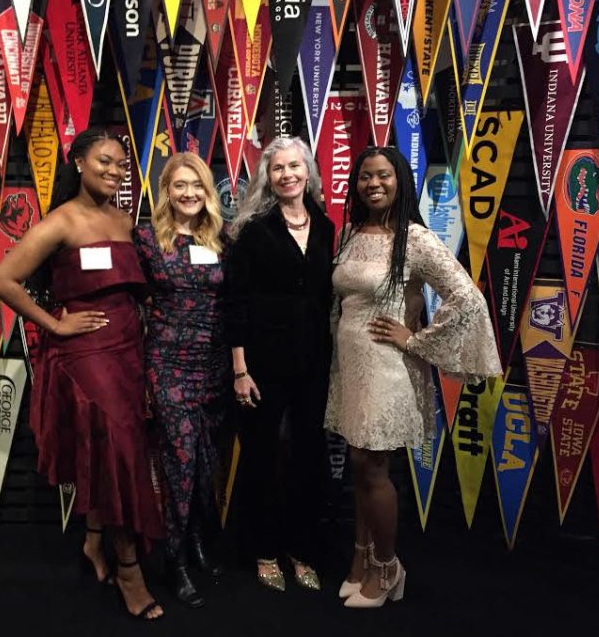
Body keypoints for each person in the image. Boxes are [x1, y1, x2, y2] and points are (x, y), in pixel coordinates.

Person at [0, 129, 165, 621]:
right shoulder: (61, 221)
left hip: (130, 349)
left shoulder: (123, 219)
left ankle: (92, 540)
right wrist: (55, 323)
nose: (114, 171)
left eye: (121, 166)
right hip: (87, 354)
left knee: (105, 451)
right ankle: (130, 570)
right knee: (121, 456)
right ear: (79, 163)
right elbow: (2, 279)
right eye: (104, 162)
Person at [325, 146, 502, 608]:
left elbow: (467, 298)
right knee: (360, 466)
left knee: (373, 467)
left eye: (383, 175)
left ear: (400, 180)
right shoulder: (347, 233)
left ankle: (388, 570)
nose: (373, 184)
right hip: (351, 367)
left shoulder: (415, 238)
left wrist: (414, 339)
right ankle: (361, 560)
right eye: (365, 176)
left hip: (386, 367)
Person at [223, 136, 335, 592]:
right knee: (262, 457)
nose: (287, 174)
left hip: (314, 361)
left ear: (308, 171)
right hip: (262, 362)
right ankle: (264, 549)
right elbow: (236, 303)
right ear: (267, 178)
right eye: (277, 168)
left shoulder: (327, 227)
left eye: (295, 165)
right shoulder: (253, 229)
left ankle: (301, 549)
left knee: (309, 459)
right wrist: (239, 370)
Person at [132, 153, 230, 608]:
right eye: (179, 186)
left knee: (205, 464)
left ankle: (193, 543)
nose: (188, 193)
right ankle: (173, 560)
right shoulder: (147, 239)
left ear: (207, 191)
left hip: (212, 364)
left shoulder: (220, 238)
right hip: (169, 364)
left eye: (197, 185)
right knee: (178, 464)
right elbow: (127, 297)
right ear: (166, 191)